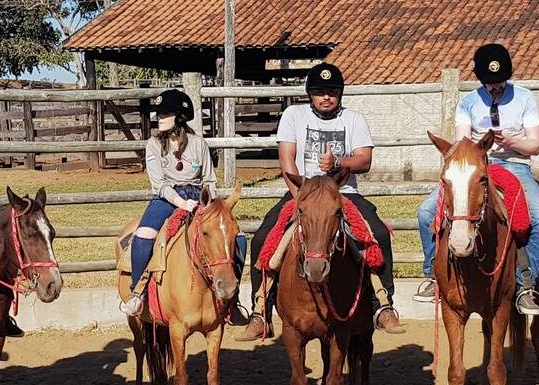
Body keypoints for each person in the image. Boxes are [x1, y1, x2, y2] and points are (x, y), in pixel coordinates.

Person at [237, 62, 405, 341]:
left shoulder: (353, 119)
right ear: (310, 94)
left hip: (342, 194)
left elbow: (364, 160)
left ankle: (382, 305)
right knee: (262, 239)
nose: (326, 97)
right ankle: (261, 312)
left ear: (339, 94)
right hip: (301, 193)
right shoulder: (294, 115)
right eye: (320, 92)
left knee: (377, 235)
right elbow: (286, 160)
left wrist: (338, 161)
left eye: (332, 92)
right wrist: (302, 201)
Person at [412, 43, 539, 315]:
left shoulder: (524, 98)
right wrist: (480, 147)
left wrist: (513, 141)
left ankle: (526, 283)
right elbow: (463, 144)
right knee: (426, 212)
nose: (495, 87)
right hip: (476, 167)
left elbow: (535, 145)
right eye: (489, 83)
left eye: (499, 82)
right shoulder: (468, 103)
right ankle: (432, 275)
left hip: (515, 165)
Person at [121, 88, 238, 315]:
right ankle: (138, 293)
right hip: (165, 198)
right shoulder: (153, 145)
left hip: (198, 197)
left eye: (164, 114)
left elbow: (209, 180)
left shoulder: (198, 144)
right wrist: (181, 203)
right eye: (158, 114)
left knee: (237, 238)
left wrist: (208, 204)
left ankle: (232, 298)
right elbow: (159, 184)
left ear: (180, 117)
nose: (159, 118)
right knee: (144, 235)